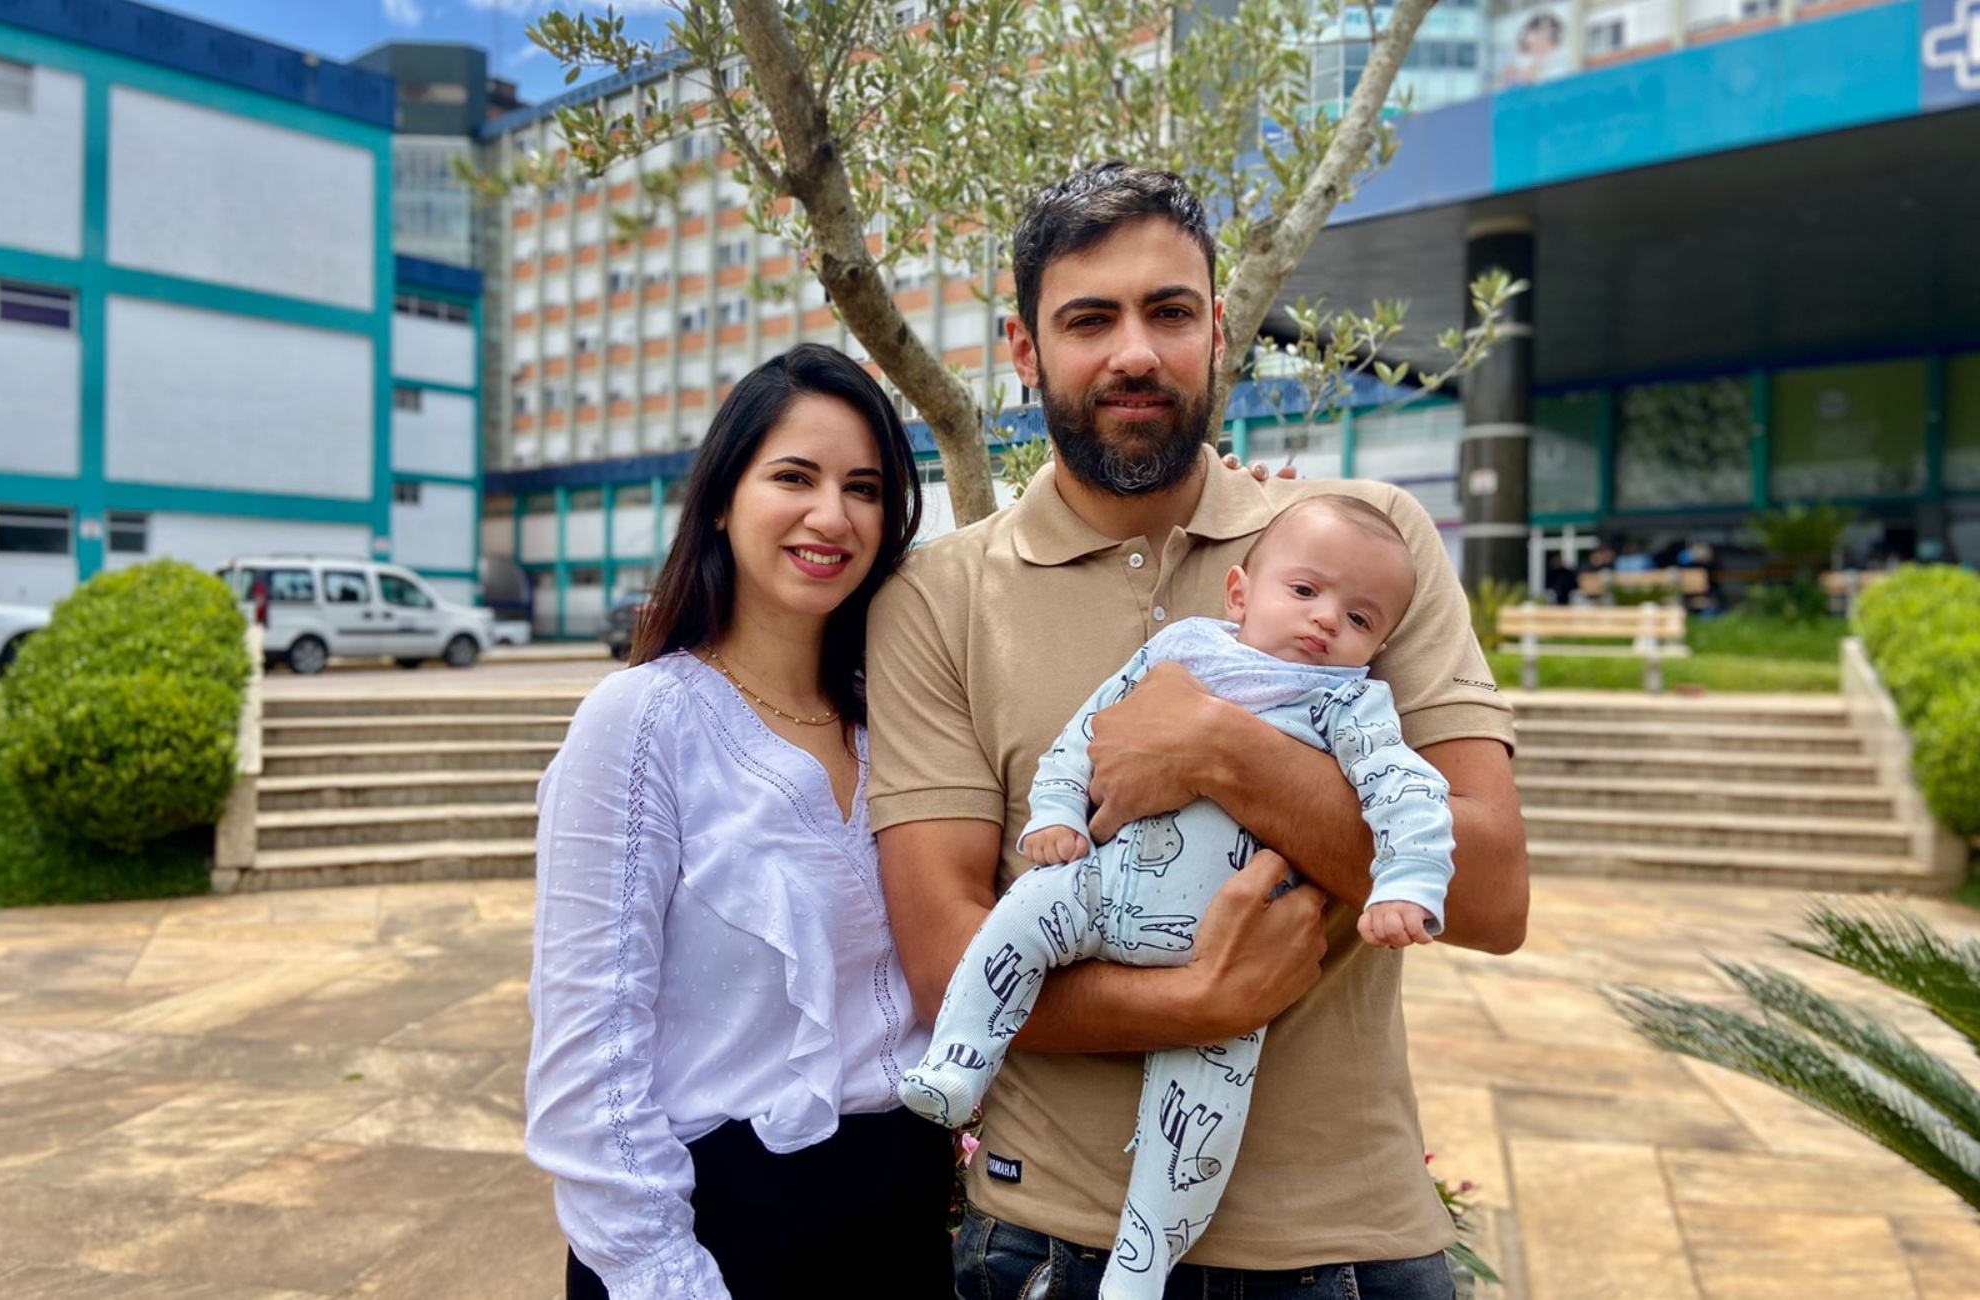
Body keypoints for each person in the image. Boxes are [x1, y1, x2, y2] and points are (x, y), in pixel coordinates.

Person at [867, 163, 1526, 1299]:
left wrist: (1217, 749)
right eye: (1089, 320)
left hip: (1350, 1242)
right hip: (1047, 1243)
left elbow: (1491, 897)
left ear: (1217, 333)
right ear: (1024, 350)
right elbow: (946, 964)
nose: (1135, 352)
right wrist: (1200, 1004)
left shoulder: (1359, 552)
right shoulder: (937, 599)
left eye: (1169, 312)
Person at [900, 493, 1457, 1299]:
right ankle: (960, 1060)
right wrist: (1056, 812)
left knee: (1195, 1121)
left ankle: (1143, 1259)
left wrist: (1405, 883)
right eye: (1304, 592)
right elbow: (1087, 733)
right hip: (1102, 890)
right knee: (1021, 916)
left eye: (1360, 619)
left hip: (1233, 945)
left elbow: (1409, 796)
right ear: (1240, 593)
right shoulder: (1182, 651)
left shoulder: (1349, 704)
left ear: (1379, 645)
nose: (1325, 620)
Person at [524, 343, 948, 1299]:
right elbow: (587, 1073)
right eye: (794, 477)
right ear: (721, 498)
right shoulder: (642, 722)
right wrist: (666, 1275)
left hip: (903, 1233)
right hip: (714, 1241)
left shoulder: (903, 721)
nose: (832, 516)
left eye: (865, 488)